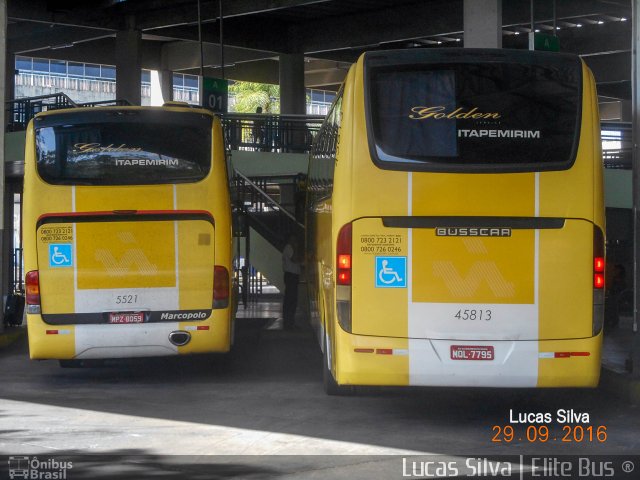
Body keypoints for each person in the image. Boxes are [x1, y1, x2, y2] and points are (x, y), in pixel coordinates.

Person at [282, 234, 301, 330]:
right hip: (291, 276)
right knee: (291, 300)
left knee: (291, 299)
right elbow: (295, 259)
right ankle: (289, 322)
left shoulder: (289, 248)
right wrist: (296, 248)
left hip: (292, 276)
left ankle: (290, 322)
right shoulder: (289, 248)